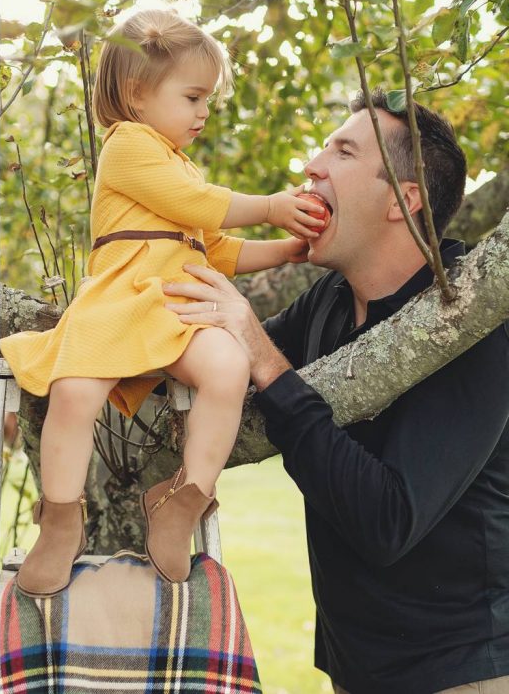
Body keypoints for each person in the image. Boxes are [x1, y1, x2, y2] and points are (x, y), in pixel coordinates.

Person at [163, 89, 509, 693]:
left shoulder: (470, 323)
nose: (311, 167)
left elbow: (387, 522)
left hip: (460, 673)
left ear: (404, 199)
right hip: (353, 667)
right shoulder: (328, 300)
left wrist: (268, 363)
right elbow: (225, 354)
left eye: (342, 151)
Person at [0, 8, 327, 597]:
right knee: (75, 392)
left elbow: (217, 246)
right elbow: (198, 204)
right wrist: (273, 203)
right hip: (121, 298)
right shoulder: (127, 145)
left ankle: (186, 496)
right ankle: (61, 518)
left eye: (208, 100)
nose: (204, 112)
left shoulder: (179, 161)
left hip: (178, 302)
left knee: (228, 368)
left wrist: (285, 250)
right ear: (136, 93)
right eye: (194, 96)